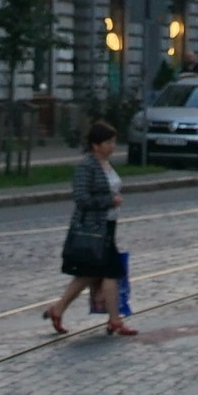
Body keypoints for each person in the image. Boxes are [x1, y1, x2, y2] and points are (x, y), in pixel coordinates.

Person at [44, 121, 137, 337]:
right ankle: (115, 321)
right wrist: (109, 201)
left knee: (89, 274)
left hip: (107, 226)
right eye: (108, 142)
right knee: (110, 272)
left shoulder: (106, 164)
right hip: (93, 228)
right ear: (96, 145)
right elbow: (81, 198)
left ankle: (58, 310)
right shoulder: (87, 166)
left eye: (113, 141)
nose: (112, 146)